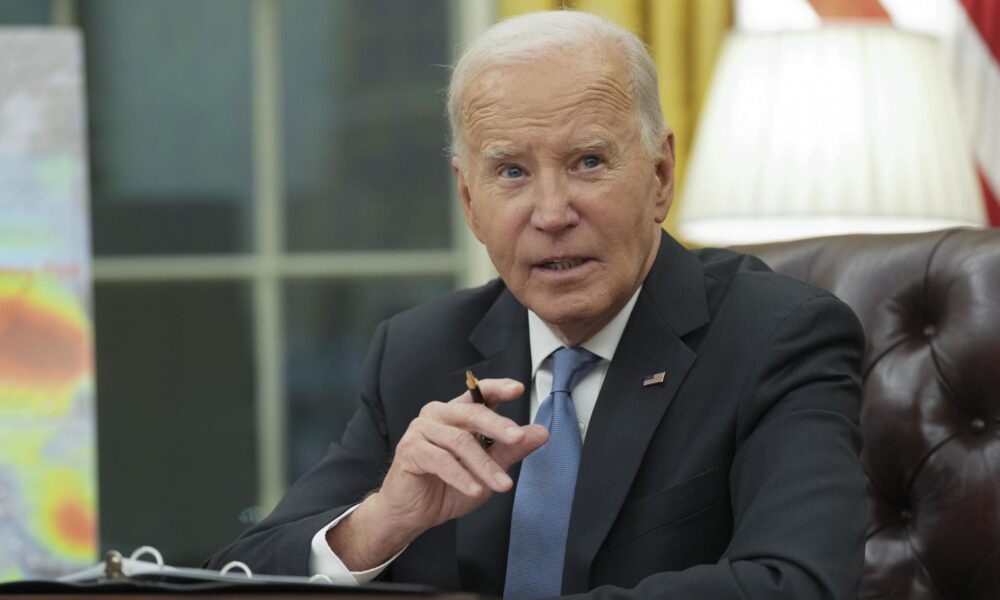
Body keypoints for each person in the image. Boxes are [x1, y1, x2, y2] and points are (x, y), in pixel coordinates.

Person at [208, 10, 867, 599]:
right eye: (512, 173)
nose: (552, 213)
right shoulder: (419, 352)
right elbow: (239, 574)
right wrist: (382, 522)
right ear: (469, 200)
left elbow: (797, 580)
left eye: (587, 161)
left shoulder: (776, 337)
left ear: (660, 176)